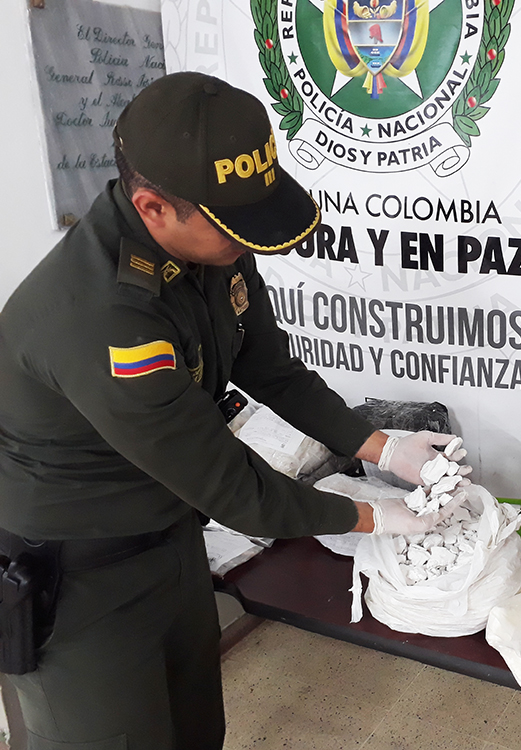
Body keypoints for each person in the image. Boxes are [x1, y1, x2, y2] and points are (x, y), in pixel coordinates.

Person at [0, 71, 468, 749]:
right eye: (231, 228)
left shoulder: (211, 250)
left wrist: (382, 449)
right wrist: (374, 515)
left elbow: (270, 367)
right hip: (76, 579)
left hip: (168, 537)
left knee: (195, 730)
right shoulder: (104, 317)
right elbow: (232, 486)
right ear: (154, 207)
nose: (246, 244)